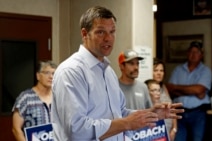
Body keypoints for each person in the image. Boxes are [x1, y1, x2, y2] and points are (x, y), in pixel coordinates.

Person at [51, 6, 184, 141]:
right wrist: (126, 123)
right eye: (101, 32)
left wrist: (150, 114)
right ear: (85, 34)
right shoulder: (71, 71)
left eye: (112, 32)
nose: (108, 38)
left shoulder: (108, 72)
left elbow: (119, 113)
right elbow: (77, 129)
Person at [166, 41, 212, 141]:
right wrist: (193, 91)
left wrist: (177, 88)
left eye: (197, 52)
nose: (193, 54)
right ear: (187, 53)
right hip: (179, 113)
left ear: (201, 55)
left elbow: (199, 89)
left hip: (198, 113)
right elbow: (169, 89)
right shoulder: (178, 70)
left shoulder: (206, 71)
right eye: (191, 51)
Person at [12, 60, 57, 141]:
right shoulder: (25, 98)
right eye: (47, 73)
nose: (51, 76)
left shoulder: (58, 97)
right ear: (38, 76)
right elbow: (16, 129)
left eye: (54, 73)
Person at [153, 58, 177, 141]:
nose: (159, 73)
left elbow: (172, 108)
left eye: (161, 70)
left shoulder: (163, 87)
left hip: (169, 132)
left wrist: (174, 129)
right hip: (156, 133)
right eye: (156, 70)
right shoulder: (148, 89)